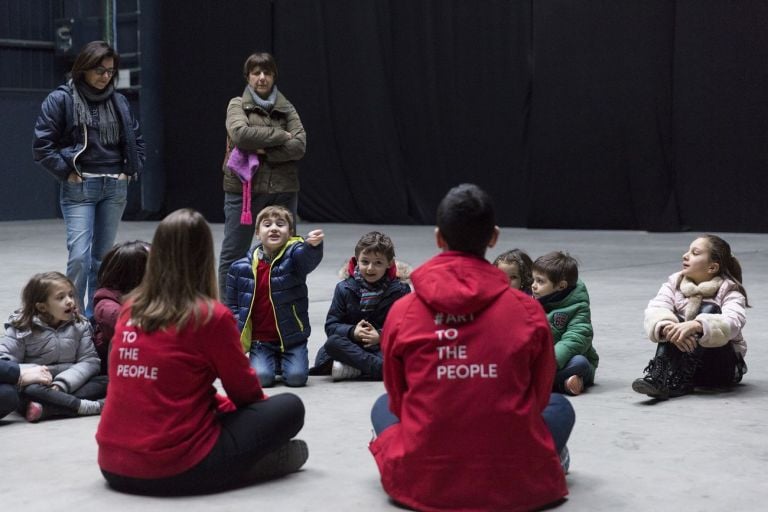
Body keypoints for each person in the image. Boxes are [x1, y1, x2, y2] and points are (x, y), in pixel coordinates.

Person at [369, 184, 573, 512]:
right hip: (512, 478)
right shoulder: (528, 310)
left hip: (425, 481)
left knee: (381, 406)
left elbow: (398, 396)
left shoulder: (403, 311)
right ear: (494, 237)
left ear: (438, 237)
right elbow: (538, 397)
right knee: (560, 408)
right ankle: (546, 458)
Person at [96, 209, 307, 495]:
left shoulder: (130, 307)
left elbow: (151, 384)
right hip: (173, 469)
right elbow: (246, 395)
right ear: (204, 257)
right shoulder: (210, 316)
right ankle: (252, 466)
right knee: (290, 408)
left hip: (112, 464)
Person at [32, 40, 145, 316]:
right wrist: (67, 172)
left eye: (110, 71)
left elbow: (137, 141)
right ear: (83, 68)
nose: (105, 76)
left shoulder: (118, 101)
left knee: (104, 261)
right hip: (80, 187)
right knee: (80, 257)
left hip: (113, 186)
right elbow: (42, 146)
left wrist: (128, 172)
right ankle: (74, 318)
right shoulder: (62, 99)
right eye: (99, 70)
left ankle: (98, 319)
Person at [218, 51, 307, 294]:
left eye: (267, 72)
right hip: (243, 189)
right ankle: (229, 314)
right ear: (248, 77)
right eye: (256, 72)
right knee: (233, 254)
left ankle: (284, 309)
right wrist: (280, 137)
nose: (261, 77)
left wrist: (262, 150)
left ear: (274, 76)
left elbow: (299, 146)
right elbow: (240, 135)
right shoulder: (237, 104)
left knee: (288, 254)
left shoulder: (286, 107)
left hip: (283, 190)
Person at [632, 235, 748, 400]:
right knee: (667, 320)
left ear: (712, 268)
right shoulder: (674, 284)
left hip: (718, 369)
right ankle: (658, 377)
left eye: (695, 253)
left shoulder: (730, 291)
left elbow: (734, 321)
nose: (685, 255)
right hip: (677, 365)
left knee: (710, 310)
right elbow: (656, 308)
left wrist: (697, 325)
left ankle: (682, 380)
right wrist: (668, 328)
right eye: (688, 251)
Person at [226, 205, 323, 387]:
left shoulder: (295, 258)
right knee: (262, 379)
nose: (274, 228)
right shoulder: (238, 268)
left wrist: (312, 247)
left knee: (296, 379)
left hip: (292, 339)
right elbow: (232, 306)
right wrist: (240, 330)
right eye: (267, 224)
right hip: (261, 341)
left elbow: (307, 259)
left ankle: (284, 360)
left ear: (290, 232)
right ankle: (269, 361)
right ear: (257, 233)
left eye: (280, 224)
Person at [0, 271, 106, 422]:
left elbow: (90, 361)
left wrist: (61, 385)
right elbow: (4, 361)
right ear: (42, 307)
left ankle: (47, 409)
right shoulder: (23, 326)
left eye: (70, 295)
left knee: (108, 381)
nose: (70, 301)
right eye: (61, 297)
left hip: (71, 382)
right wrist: (36, 373)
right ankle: (90, 407)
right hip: (37, 384)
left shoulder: (80, 324)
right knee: (29, 390)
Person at [311, 231, 411, 381]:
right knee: (333, 343)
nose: (370, 268)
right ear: (357, 260)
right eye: (365, 262)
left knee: (405, 352)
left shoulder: (401, 290)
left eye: (378, 263)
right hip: (352, 345)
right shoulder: (344, 288)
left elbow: (407, 327)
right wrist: (353, 332)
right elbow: (332, 326)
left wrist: (381, 335)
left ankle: (357, 367)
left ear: (389, 263)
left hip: (382, 347)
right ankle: (383, 369)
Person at [532, 251, 600, 396]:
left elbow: (577, 337)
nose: (534, 286)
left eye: (540, 281)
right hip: (537, 361)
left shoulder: (578, 306)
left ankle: (532, 382)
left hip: (559, 360)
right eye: (533, 280)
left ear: (561, 286)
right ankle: (561, 384)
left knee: (580, 363)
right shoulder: (534, 299)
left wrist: (550, 360)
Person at [91, 240, 150, 375]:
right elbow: (139, 332)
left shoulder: (149, 293)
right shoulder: (106, 306)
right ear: (136, 274)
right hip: (115, 366)